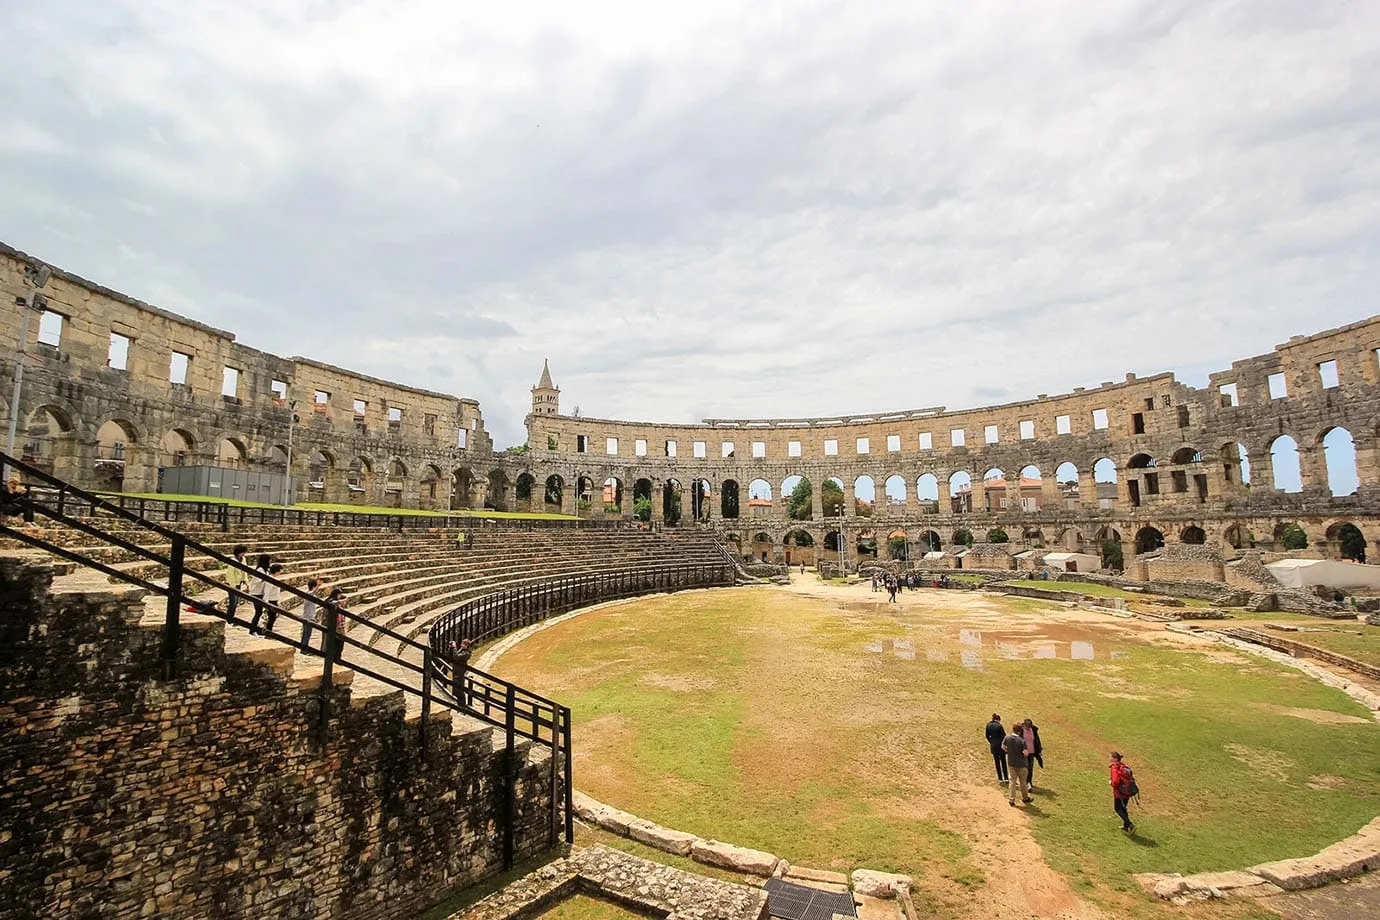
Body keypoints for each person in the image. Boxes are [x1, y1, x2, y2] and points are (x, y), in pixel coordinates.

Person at [1003, 727, 1031, 806]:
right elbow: (1025, 753)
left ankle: (1012, 799)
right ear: (1019, 731)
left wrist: (1009, 752)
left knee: (1012, 782)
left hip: (1011, 763)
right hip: (1021, 764)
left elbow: (1003, 747)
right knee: (1023, 782)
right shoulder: (1022, 741)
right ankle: (1025, 798)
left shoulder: (1007, 737)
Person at [1109, 752, 1136, 833]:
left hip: (1119, 793)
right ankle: (1126, 826)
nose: (1109, 758)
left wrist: (1111, 783)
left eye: (1110, 757)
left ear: (1114, 758)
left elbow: (1116, 781)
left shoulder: (1115, 768)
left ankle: (1130, 824)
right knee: (1123, 808)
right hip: (1127, 792)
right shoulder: (1123, 766)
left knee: (1117, 808)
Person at [247, 554, 271, 635]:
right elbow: (257, 581)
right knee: (258, 612)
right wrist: (264, 579)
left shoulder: (266, 570)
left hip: (261, 593)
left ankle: (255, 629)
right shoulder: (260, 570)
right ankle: (252, 629)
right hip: (256, 593)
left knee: (259, 612)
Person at [223, 545, 249, 619]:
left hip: (239, 583)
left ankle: (231, 617)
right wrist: (233, 585)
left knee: (236, 602)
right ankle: (229, 618)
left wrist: (245, 581)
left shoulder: (243, 559)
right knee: (233, 602)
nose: (244, 554)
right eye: (243, 552)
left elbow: (244, 570)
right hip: (232, 583)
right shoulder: (233, 560)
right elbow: (230, 574)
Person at [259, 563, 284, 635]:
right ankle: (268, 631)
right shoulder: (270, 580)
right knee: (271, 617)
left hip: (274, 600)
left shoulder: (274, 579)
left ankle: (269, 630)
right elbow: (267, 592)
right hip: (270, 601)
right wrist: (266, 603)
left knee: (273, 617)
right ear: (277, 571)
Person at [298, 578, 321, 652]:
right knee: (306, 633)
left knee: (307, 634)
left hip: (310, 616)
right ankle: (304, 649)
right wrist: (318, 586)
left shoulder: (310, 594)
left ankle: (304, 647)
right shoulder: (308, 594)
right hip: (308, 617)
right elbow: (312, 593)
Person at [985, 714, 1008, 784]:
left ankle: (1000, 778)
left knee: (997, 762)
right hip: (1000, 746)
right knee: (1003, 762)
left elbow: (987, 735)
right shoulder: (999, 726)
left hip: (993, 745)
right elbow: (1004, 736)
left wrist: (991, 742)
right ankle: (1006, 777)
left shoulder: (988, 725)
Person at [1022, 718, 1044, 791]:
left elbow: (1037, 740)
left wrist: (1039, 749)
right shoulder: (1021, 730)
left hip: (1031, 752)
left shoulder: (1033, 730)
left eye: (1029, 727)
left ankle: (1029, 782)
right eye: (1027, 727)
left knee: (1030, 768)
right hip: (1023, 752)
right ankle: (1024, 782)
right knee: (1024, 768)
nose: (1028, 728)